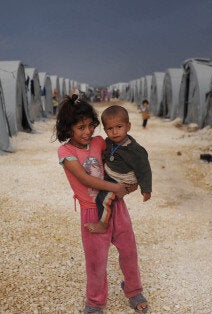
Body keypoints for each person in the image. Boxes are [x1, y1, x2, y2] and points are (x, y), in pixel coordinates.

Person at [56, 94, 149, 313]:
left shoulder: (99, 142)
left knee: (129, 252)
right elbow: (85, 179)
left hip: (117, 207)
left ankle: (134, 290)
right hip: (92, 212)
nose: (88, 131)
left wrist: (132, 182)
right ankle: (95, 302)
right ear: (68, 129)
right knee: (96, 261)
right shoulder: (66, 152)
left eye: (91, 126)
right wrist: (115, 188)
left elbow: (124, 155)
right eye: (80, 127)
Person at [87, 105, 152, 234]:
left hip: (123, 181)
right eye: (110, 128)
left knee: (103, 198)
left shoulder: (135, 150)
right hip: (112, 175)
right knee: (96, 184)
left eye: (119, 127)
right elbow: (105, 155)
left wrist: (146, 189)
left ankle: (103, 224)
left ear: (128, 126)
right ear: (105, 130)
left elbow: (144, 169)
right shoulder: (109, 142)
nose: (115, 132)